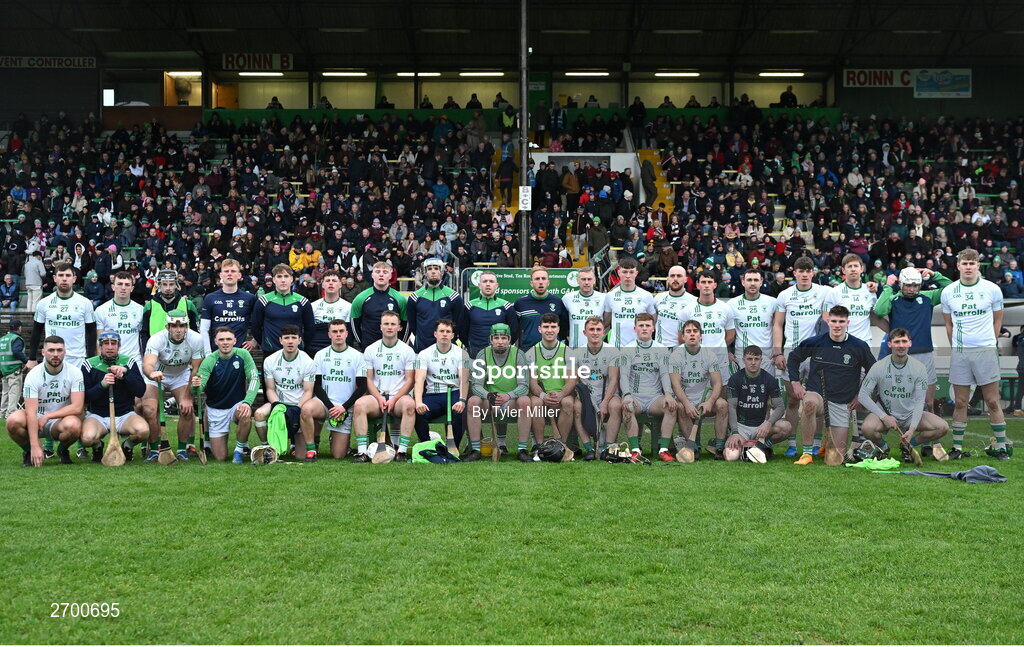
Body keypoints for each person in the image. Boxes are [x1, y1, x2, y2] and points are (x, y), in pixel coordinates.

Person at [940, 248, 1009, 460]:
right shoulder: (948, 292)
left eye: (972, 263)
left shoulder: (992, 289)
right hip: (961, 352)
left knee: (992, 401)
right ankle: (957, 449)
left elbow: (998, 320)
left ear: (978, 265)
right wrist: (956, 347)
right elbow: (948, 324)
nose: (968, 267)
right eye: (965, 263)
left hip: (986, 351)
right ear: (958, 266)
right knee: (960, 402)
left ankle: (1001, 447)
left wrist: (990, 343)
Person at [787, 305, 875, 465]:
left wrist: (860, 394)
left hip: (842, 402)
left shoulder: (859, 346)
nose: (837, 325)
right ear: (828, 321)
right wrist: (796, 382)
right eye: (834, 321)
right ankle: (807, 453)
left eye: (841, 321)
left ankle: (828, 443)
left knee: (836, 460)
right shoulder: (815, 342)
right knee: (809, 404)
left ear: (848, 322)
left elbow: (873, 371)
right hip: (818, 394)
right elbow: (793, 358)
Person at [859, 328, 950, 462]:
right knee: (867, 428)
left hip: (910, 414)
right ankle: (884, 447)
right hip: (886, 413)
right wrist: (884, 417)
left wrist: (912, 430)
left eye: (904, 341)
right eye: (897, 342)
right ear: (889, 344)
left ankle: (908, 445)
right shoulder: (878, 366)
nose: (900, 345)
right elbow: (863, 395)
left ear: (910, 343)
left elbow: (920, 402)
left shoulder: (919, 368)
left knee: (942, 427)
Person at [772, 256, 831, 456]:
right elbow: (778, 324)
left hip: (817, 355)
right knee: (792, 400)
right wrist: (778, 352)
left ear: (813, 273)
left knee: (819, 401)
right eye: (801, 270)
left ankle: (816, 444)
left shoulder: (825, 292)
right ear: (794, 273)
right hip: (792, 353)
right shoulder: (785, 295)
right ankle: (791, 444)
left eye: (808, 271)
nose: (805, 274)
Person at [7, 336, 84, 467]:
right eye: (51, 350)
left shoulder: (75, 372)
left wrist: (48, 416)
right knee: (13, 421)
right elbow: (31, 413)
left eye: (59, 350)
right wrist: (35, 445)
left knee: (74, 425)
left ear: (65, 352)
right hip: (36, 420)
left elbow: (77, 407)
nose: (55, 354)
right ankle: (29, 451)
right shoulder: (33, 375)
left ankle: (62, 450)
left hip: (59, 422)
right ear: (43, 352)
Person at [140, 310, 206, 462]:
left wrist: (189, 396)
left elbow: (196, 369)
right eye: (174, 326)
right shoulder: (156, 339)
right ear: (167, 327)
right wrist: (152, 373)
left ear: (187, 326)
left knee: (186, 408)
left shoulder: (196, 339)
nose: (178, 330)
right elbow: (147, 364)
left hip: (181, 375)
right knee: (149, 410)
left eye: (182, 326)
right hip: (157, 374)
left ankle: (182, 450)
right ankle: (156, 448)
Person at [352, 311, 417, 460]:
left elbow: (410, 380)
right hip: (377, 397)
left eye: (393, 324)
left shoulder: (407, 351)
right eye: (386, 324)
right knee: (359, 405)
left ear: (399, 328)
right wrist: (378, 398)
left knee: (409, 405)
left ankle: (401, 451)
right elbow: (368, 379)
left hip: (398, 398)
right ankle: (362, 452)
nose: (389, 327)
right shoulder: (370, 350)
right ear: (380, 326)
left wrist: (394, 399)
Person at [465, 324, 533, 462]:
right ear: (490, 339)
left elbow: (524, 386)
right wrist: (488, 395)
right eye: (496, 338)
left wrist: (508, 395)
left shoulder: (519, 354)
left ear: (509, 339)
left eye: (504, 338)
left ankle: (522, 450)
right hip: (490, 400)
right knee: (472, 402)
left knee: (525, 401)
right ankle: (476, 450)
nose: (500, 341)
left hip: (511, 400)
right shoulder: (482, 354)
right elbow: (476, 385)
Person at [304, 319, 367, 462]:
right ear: (329, 334)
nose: (338, 334)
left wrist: (343, 407)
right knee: (307, 409)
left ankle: (336, 436)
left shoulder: (357, 356)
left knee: (338, 455)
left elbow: (362, 387)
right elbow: (317, 386)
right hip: (325, 405)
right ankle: (312, 448)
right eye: (334, 332)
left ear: (346, 334)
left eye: (341, 331)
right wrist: (331, 407)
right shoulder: (320, 355)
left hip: (345, 408)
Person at [79, 331, 148, 462]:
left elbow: (140, 391)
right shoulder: (89, 364)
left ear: (119, 346)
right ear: (100, 346)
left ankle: (127, 446)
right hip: (98, 415)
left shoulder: (129, 362)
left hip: (124, 414)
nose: (110, 347)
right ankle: (97, 446)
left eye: (113, 343)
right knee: (87, 438)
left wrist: (126, 375)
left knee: (143, 431)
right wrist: (102, 385)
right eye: (106, 344)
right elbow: (85, 397)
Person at [194, 327, 259, 462]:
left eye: (228, 339)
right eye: (221, 339)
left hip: (237, 405)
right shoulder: (209, 360)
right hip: (216, 408)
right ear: (215, 342)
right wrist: (195, 386)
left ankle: (239, 450)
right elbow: (199, 387)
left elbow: (254, 378)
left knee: (246, 413)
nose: (225, 342)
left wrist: (247, 402)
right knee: (220, 457)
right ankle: (211, 443)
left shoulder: (243, 355)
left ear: (235, 341)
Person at [252, 326, 315, 463]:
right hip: (279, 403)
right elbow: (270, 389)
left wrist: (296, 408)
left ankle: (296, 443)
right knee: (259, 414)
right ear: (280, 340)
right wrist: (277, 406)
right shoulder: (270, 361)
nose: (290, 341)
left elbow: (308, 391)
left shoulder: (308, 362)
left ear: (299, 340)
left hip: (299, 405)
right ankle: (267, 449)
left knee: (300, 456)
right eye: (286, 338)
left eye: (293, 338)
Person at [618, 313, 676, 461]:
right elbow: (623, 375)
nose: (644, 328)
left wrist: (668, 393)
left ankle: (663, 450)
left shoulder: (661, 349)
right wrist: (627, 395)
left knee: (672, 406)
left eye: (648, 325)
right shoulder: (627, 349)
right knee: (627, 407)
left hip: (654, 398)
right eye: (641, 325)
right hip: (635, 396)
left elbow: (664, 374)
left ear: (653, 328)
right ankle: (636, 451)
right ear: (635, 328)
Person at [670, 319, 728, 459]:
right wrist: (687, 403)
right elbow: (675, 384)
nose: (692, 334)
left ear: (700, 335)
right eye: (688, 332)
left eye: (695, 331)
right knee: (680, 407)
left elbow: (717, 383)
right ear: (683, 336)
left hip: (704, 398)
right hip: (685, 398)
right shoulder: (676, 355)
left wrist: (709, 401)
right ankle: (693, 446)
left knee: (722, 404)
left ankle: (719, 447)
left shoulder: (709, 354)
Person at [725, 345, 792, 460]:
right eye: (750, 359)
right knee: (731, 456)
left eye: (756, 359)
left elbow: (780, 407)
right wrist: (735, 432)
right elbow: (731, 407)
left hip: (761, 427)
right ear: (743, 360)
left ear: (761, 360)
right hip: (741, 427)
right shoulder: (735, 379)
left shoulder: (769, 379)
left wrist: (768, 423)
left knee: (786, 427)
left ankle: (763, 446)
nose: (753, 362)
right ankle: (749, 449)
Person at [525, 313, 576, 459]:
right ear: (539, 329)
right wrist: (543, 395)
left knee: (568, 402)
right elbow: (532, 382)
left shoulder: (568, 351)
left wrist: (560, 395)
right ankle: (539, 447)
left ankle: (562, 446)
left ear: (558, 329)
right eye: (546, 327)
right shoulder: (531, 353)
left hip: (562, 395)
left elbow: (571, 380)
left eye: (553, 327)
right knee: (535, 402)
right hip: (543, 395)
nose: (549, 330)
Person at [28, 262, 97, 371]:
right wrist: (31, 358)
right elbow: (36, 331)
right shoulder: (43, 303)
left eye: (68, 275)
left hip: (77, 359)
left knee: (77, 389)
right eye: (61, 275)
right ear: (55, 278)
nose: (64, 279)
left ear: (74, 279)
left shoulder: (85, 303)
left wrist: (91, 357)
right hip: (52, 358)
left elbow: (92, 332)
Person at [568, 316, 622, 454]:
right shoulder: (576, 353)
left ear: (603, 332)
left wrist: (604, 402)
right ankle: (589, 448)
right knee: (576, 406)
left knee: (615, 405)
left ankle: (608, 448)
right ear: (585, 332)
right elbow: (573, 380)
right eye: (591, 329)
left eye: (598, 329)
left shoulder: (613, 351)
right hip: (587, 395)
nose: (595, 332)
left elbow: (614, 380)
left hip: (608, 394)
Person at [413, 319, 469, 448]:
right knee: (418, 412)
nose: (444, 334)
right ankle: (427, 447)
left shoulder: (461, 353)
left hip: (454, 393)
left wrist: (462, 400)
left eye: (448, 331)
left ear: (452, 335)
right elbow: (419, 379)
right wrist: (418, 402)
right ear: (435, 334)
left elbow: (464, 379)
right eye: (441, 331)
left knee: (462, 412)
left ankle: (453, 447)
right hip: (434, 395)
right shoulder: (424, 354)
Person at [251, 264, 315, 356]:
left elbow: (310, 329)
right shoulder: (263, 301)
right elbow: (255, 328)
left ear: (292, 279)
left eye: (286, 276)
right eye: (279, 276)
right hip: (270, 352)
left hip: (296, 353)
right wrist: (267, 344)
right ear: (273, 279)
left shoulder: (303, 301)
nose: (283, 280)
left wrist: (301, 345)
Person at [199, 258, 257, 355]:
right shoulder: (210, 298)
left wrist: (254, 341)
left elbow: (260, 323)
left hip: (240, 353)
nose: (229, 274)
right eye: (226, 271)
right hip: (215, 353)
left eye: (233, 271)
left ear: (239, 275)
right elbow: (204, 329)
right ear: (221, 275)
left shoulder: (249, 298)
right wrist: (208, 353)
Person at [408, 258, 464, 352]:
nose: (433, 271)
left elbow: (458, 324)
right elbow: (413, 325)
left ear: (441, 272)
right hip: (422, 348)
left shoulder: (454, 297)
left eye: (436, 268)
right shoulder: (414, 297)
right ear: (425, 273)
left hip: (446, 349)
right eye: (429, 269)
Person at [822, 254, 880, 345]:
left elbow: (875, 316)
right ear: (843, 270)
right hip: (842, 344)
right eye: (849, 266)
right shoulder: (834, 292)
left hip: (865, 344)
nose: (853, 269)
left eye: (856, 266)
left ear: (862, 269)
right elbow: (826, 318)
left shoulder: (870, 291)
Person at [682, 270, 736, 368]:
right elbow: (682, 338)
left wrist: (718, 348)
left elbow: (731, 335)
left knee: (721, 384)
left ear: (715, 285)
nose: (706, 285)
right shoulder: (687, 310)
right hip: (696, 359)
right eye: (703, 282)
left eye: (710, 282)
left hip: (720, 359)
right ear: (697, 285)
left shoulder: (725, 308)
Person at [728, 268, 777, 374]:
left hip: (766, 357)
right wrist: (727, 352)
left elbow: (781, 327)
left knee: (766, 390)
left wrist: (778, 352)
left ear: (761, 281)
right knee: (744, 390)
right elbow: (725, 331)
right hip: (742, 357)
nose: (752, 283)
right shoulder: (732, 304)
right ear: (743, 282)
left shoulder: (773, 302)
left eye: (756, 280)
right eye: (749, 280)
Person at [350, 261, 408, 350]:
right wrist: (362, 344)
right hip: (368, 347)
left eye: (385, 272)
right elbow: (354, 325)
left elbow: (406, 324)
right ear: (372, 275)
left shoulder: (400, 299)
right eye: (377, 272)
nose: (381, 275)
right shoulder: (360, 298)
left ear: (390, 275)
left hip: (394, 348)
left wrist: (401, 344)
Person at [463, 270, 518, 358]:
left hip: (500, 354)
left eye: (491, 281)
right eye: (484, 281)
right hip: (475, 352)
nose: (488, 284)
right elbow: (463, 331)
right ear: (479, 285)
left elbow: (514, 332)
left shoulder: (506, 307)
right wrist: (470, 347)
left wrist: (503, 347)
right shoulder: (469, 306)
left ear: (496, 285)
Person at [140, 269, 200, 351]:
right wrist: (146, 353)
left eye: (171, 284)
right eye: (164, 284)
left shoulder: (188, 305)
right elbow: (144, 333)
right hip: (156, 353)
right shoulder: (149, 306)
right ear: (159, 285)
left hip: (183, 354)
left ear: (176, 285)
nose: (168, 288)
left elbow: (196, 332)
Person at [603, 256, 656, 347]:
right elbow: (606, 322)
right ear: (619, 273)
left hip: (639, 347)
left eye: (631, 272)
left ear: (636, 273)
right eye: (624, 272)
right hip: (616, 347)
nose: (628, 276)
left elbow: (653, 320)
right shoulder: (610, 296)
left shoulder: (646, 296)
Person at [514, 266, 569, 350]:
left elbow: (564, 328)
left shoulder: (557, 302)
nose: (540, 282)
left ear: (548, 282)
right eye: (537, 279)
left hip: (553, 351)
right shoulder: (520, 303)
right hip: (528, 351)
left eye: (543, 278)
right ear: (531, 283)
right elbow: (514, 329)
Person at [95, 271, 145, 364]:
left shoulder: (140, 310)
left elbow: (141, 339)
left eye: (127, 285)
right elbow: (99, 341)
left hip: (134, 361)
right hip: (110, 362)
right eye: (119, 284)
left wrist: (144, 362)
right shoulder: (101, 310)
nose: (123, 288)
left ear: (132, 288)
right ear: (113, 287)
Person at [308, 269, 352, 357]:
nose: (331, 283)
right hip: (316, 349)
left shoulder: (348, 307)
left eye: (334, 281)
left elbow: (349, 334)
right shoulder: (313, 306)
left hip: (340, 349)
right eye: (327, 281)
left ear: (340, 284)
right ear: (323, 285)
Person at [562, 266, 606, 348]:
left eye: (589, 279)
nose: (586, 282)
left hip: (597, 348)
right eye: (583, 279)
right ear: (577, 281)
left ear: (594, 280)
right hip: (575, 348)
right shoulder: (567, 298)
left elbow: (606, 321)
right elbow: (563, 321)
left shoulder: (603, 298)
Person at [653, 265, 697, 347]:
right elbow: (653, 322)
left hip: (682, 351)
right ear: (668, 278)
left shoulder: (693, 302)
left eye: (679, 276)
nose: (675, 279)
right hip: (660, 350)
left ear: (685, 279)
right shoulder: (658, 298)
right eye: (672, 276)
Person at [0, 319, 27, 420]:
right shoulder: (16, 338)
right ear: (19, 328)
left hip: (4, 370)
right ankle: (11, 414)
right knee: (14, 392)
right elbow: (16, 351)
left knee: (5, 392)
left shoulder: (3, 339)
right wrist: (26, 361)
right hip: (14, 370)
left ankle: (2, 414)